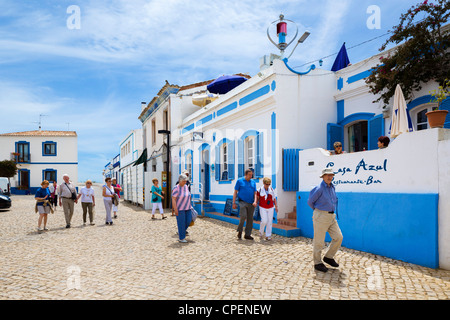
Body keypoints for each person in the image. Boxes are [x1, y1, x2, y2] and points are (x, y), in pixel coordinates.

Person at [307, 168, 343, 273]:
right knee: (319, 241)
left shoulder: (332, 187)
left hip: (331, 217)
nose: (329, 177)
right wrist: (318, 211)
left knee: (338, 237)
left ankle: (328, 257)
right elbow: (310, 201)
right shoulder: (319, 188)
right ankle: (317, 263)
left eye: (331, 175)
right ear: (323, 176)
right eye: (327, 175)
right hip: (321, 216)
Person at [232, 169, 257, 240]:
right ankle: (240, 231)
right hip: (242, 202)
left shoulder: (253, 182)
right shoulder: (239, 181)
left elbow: (255, 193)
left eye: (251, 175)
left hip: (251, 203)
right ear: (245, 175)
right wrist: (234, 203)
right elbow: (235, 192)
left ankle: (247, 234)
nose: (251, 176)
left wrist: (255, 201)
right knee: (243, 216)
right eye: (249, 175)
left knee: (250, 219)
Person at [172, 174, 192, 243]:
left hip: (188, 207)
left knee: (188, 221)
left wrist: (190, 204)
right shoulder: (176, 188)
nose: (185, 182)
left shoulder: (186, 186)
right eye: (184, 181)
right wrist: (175, 209)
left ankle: (181, 232)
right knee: (181, 223)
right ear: (180, 181)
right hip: (180, 208)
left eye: (186, 181)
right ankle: (181, 237)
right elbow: (173, 199)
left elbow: (189, 195)